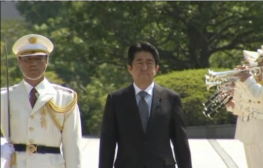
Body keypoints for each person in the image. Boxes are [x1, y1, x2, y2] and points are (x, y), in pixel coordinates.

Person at [98, 42, 192, 168]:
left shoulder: (171, 99)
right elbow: (107, 144)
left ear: (156, 69)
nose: (144, 67)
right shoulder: (116, 100)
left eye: (149, 63)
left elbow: (181, 144)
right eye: (139, 62)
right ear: (130, 68)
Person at [0, 34, 82, 168]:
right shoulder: (4, 97)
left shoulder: (65, 98)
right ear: (19, 61)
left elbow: (72, 146)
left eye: (38, 58)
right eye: (27, 59)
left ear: (47, 60)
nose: (33, 63)